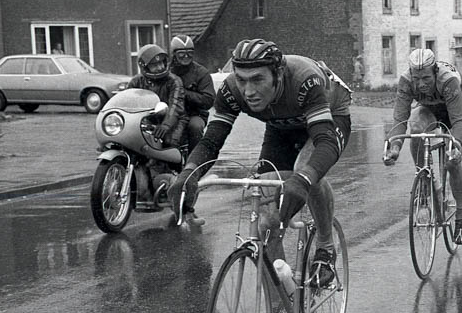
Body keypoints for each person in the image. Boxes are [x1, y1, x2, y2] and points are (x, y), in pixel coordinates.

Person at [169, 38, 352, 289]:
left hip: (329, 118)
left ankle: (325, 248)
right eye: (242, 79)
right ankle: (281, 304)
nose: (248, 91)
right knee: (267, 221)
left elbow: (325, 142)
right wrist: (188, 173)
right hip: (280, 127)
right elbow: (212, 141)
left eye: (257, 79)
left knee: (305, 170)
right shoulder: (230, 90)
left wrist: (303, 179)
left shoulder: (304, 79)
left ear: (277, 74)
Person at [383, 48, 462, 244]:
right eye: (417, 79)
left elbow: (458, 121)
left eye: (426, 78)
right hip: (429, 110)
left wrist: (455, 145)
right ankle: (425, 181)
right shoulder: (406, 81)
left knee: (452, 162)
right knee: (416, 126)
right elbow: (400, 119)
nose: (421, 84)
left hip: (455, 112)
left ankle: (461, 216)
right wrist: (395, 147)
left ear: (435, 72)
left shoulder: (447, 80)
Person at [127, 44, 187, 208]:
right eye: (154, 64)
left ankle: (177, 180)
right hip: (146, 121)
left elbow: (176, 105)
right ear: (144, 66)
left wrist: (167, 125)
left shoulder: (174, 81)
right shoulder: (136, 82)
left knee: (168, 145)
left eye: (162, 62)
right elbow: (127, 103)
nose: (160, 67)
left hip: (174, 120)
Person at [169, 34, 215, 154]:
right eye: (181, 53)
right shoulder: (166, 72)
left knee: (195, 126)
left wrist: (183, 93)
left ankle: (194, 161)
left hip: (194, 114)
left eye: (189, 52)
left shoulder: (201, 73)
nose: (186, 56)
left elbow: (209, 100)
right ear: (173, 54)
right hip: (170, 113)